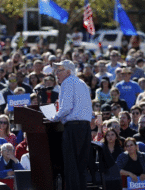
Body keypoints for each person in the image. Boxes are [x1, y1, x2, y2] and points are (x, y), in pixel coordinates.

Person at [51, 60, 92, 190]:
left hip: (73, 128)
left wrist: (54, 117)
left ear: (68, 72)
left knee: (71, 165)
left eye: (59, 71)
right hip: (85, 127)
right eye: (56, 71)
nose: (56, 74)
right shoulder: (82, 83)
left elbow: (66, 108)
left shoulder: (67, 82)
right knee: (81, 166)